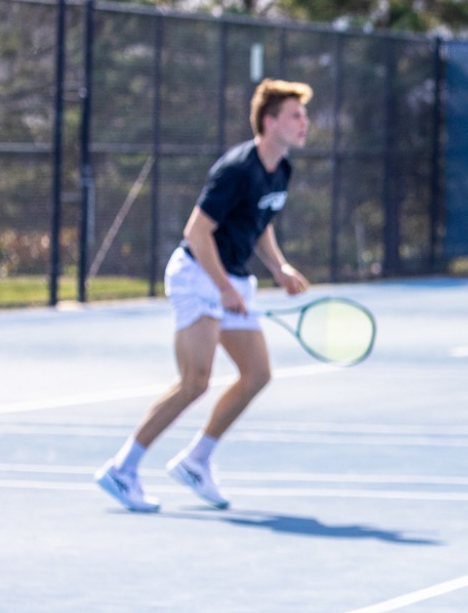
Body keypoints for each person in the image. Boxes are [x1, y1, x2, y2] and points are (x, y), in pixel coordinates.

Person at [93, 78, 313, 512]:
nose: (304, 122)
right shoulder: (237, 169)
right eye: (295, 115)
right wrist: (225, 289)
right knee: (195, 381)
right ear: (269, 122)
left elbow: (259, 220)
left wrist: (279, 267)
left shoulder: (281, 168)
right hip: (197, 275)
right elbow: (196, 233)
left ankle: (196, 461)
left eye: (304, 115)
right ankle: (121, 470)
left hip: (231, 277)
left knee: (257, 375)